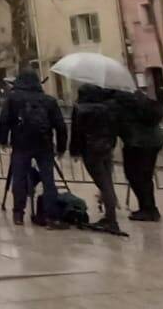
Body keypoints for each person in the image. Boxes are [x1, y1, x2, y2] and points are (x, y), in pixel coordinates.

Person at [0, 70, 67, 227]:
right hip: (44, 144)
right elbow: (60, 126)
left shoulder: (13, 99)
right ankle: (51, 215)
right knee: (48, 180)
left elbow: (4, 121)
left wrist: (2, 140)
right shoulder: (48, 100)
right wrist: (61, 147)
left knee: (20, 179)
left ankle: (18, 214)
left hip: (21, 144)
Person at [69, 85, 121, 232]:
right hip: (106, 147)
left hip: (90, 150)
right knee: (107, 181)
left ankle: (111, 220)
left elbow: (76, 132)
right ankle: (110, 217)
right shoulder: (107, 107)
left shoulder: (80, 108)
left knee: (103, 184)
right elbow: (114, 128)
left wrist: (74, 151)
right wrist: (111, 144)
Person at [109, 86, 163, 220]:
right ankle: (150, 208)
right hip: (155, 140)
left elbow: (115, 126)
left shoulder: (119, 105)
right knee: (146, 176)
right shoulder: (141, 99)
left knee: (134, 176)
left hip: (136, 143)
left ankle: (147, 209)